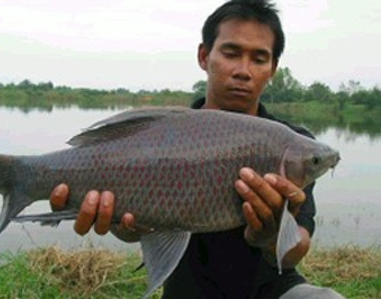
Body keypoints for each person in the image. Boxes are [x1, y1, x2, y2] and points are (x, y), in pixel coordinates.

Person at [50, 1, 344, 298]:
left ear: (273, 69)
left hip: (270, 290)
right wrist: (125, 226)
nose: (243, 71)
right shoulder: (166, 131)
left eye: (259, 59)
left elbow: (296, 250)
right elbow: (133, 231)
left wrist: (271, 237)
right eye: (231, 54)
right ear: (204, 56)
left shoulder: (295, 145)